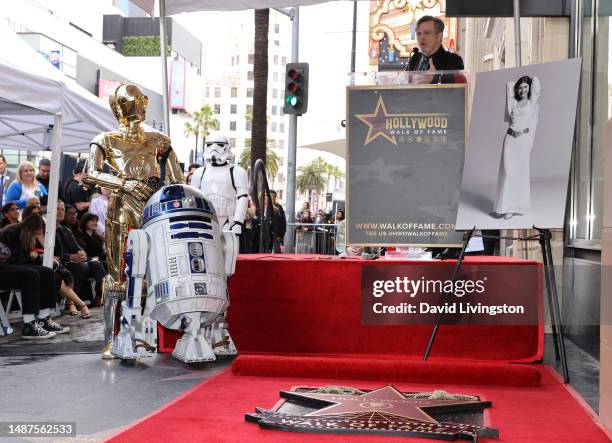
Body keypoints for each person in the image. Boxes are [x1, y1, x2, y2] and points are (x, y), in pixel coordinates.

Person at [81, 82, 183, 359]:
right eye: (126, 102)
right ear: (115, 107)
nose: (133, 106)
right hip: (121, 208)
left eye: (137, 100)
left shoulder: (160, 140)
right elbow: (89, 173)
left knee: (160, 269)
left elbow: (177, 179)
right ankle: (113, 339)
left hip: (155, 207)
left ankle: (160, 337)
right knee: (118, 273)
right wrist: (124, 184)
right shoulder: (105, 138)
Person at [0, 215, 74, 335]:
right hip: (3, 268)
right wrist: (29, 255)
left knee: (47, 272)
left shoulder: (22, 235)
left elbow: (19, 261)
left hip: (9, 267)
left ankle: (43, 318)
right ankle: (29, 324)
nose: (37, 236)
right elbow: (10, 258)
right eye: (36, 233)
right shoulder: (10, 232)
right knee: (31, 275)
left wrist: (33, 256)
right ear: (30, 229)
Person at [492, 76, 541, 220]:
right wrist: (517, 86)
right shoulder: (513, 103)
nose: (523, 90)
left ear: (530, 88)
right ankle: (502, 206)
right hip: (509, 139)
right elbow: (509, 87)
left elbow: (537, 84)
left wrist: (529, 144)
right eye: (520, 87)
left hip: (523, 140)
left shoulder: (533, 104)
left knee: (517, 173)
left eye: (526, 87)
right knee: (507, 171)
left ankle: (511, 208)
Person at [55, 200, 106, 309]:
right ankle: (72, 301)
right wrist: (71, 257)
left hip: (74, 261)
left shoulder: (66, 230)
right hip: (60, 263)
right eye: (57, 209)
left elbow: (78, 248)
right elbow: (51, 254)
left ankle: (99, 296)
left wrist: (82, 253)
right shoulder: (46, 229)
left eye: (62, 209)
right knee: (81, 266)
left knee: (96, 264)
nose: (60, 212)